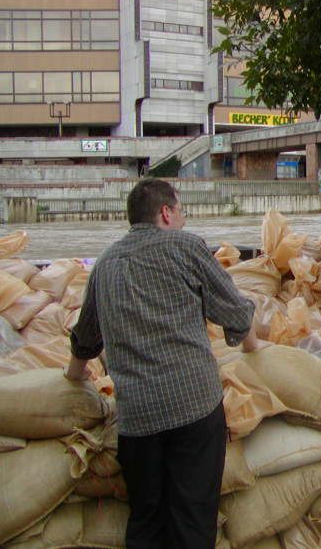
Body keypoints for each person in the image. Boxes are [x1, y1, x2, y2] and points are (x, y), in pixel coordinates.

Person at [65, 178, 266, 549]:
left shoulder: (106, 262)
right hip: (193, 408)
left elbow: (86, 339)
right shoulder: (185, 247)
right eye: (182, 210)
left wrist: (71, 379)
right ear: (165, 213)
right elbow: (235, 312)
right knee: (191, 516)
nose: (184, 219)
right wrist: (255, 350)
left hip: (137, 419)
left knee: (145, 519)